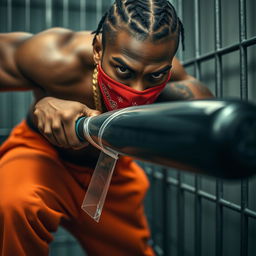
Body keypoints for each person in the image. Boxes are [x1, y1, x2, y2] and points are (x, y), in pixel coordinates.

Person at [0, 0, 213, 255]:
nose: (137, 90)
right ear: (98, 48)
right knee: (14, 205)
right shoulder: (55, 57)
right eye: (123, 69)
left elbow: (208, 115)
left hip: (109, 170)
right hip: (42, 155)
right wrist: (44, 106)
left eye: (155, 75)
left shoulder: (174, 80)